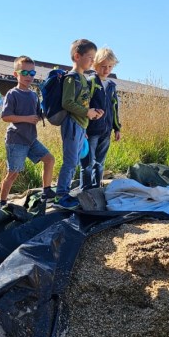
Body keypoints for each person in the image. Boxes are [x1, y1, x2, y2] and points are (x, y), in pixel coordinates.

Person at [0, 56, 55, 207]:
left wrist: (51, 109)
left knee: (49, 160)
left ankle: (46, 190)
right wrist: (26, 118)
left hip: (31, 139)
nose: (28, 76)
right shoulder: (12, 94)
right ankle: (2, 202)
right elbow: (5, 116)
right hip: (16, 140)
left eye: (32, 73)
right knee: (13, 173)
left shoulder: (33, 95)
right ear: (16, 74)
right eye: (24, 72)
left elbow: (38, 115)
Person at [55, 39, 103, 209]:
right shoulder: (72, 78)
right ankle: (61, 195)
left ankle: (64, 192)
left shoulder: (83, 78)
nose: (92, 61)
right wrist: (87, 112)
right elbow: (67, 103)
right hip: (72, 124)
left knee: (75, 160)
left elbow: (81, 103)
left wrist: (93, 112)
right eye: (90, 57)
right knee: (70, 161)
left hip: (81, 126)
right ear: (77, 56)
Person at [80, 47, 120, 190]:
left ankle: (97, 187)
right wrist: (83, 128)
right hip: (91, 130)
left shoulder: (111, 86)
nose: (106, 69)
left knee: (100, 162)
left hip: (106, 130)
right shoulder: (90, 82)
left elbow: (115, 108)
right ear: (95, 66)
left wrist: (117, 128)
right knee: (88, 162)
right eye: (103, 66)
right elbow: (83, 106)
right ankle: (86, 188)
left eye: (110, 66)